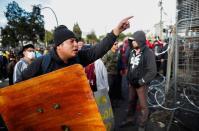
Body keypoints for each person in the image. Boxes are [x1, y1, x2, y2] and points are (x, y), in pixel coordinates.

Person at [16, 16, 133, 83]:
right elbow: (18, 87)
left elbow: (99, 49)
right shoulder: (41, 63)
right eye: (71, 41)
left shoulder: (79, 58)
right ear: (59, 46)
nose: (76, 44)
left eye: (76, 41)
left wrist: (116, 31)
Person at [120, 31, 157, 127]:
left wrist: (141, 82)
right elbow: (129, 65)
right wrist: (129, 79)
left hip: (142, 85)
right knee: (131, 102)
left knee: (143, 106)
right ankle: (129, 119)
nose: (132, 42)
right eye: (131, 40)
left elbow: (152, 71)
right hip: (132, 83)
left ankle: (142, 124)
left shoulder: (148, 53)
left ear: (140, 40)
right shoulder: (132, 51)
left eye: (134, 40)